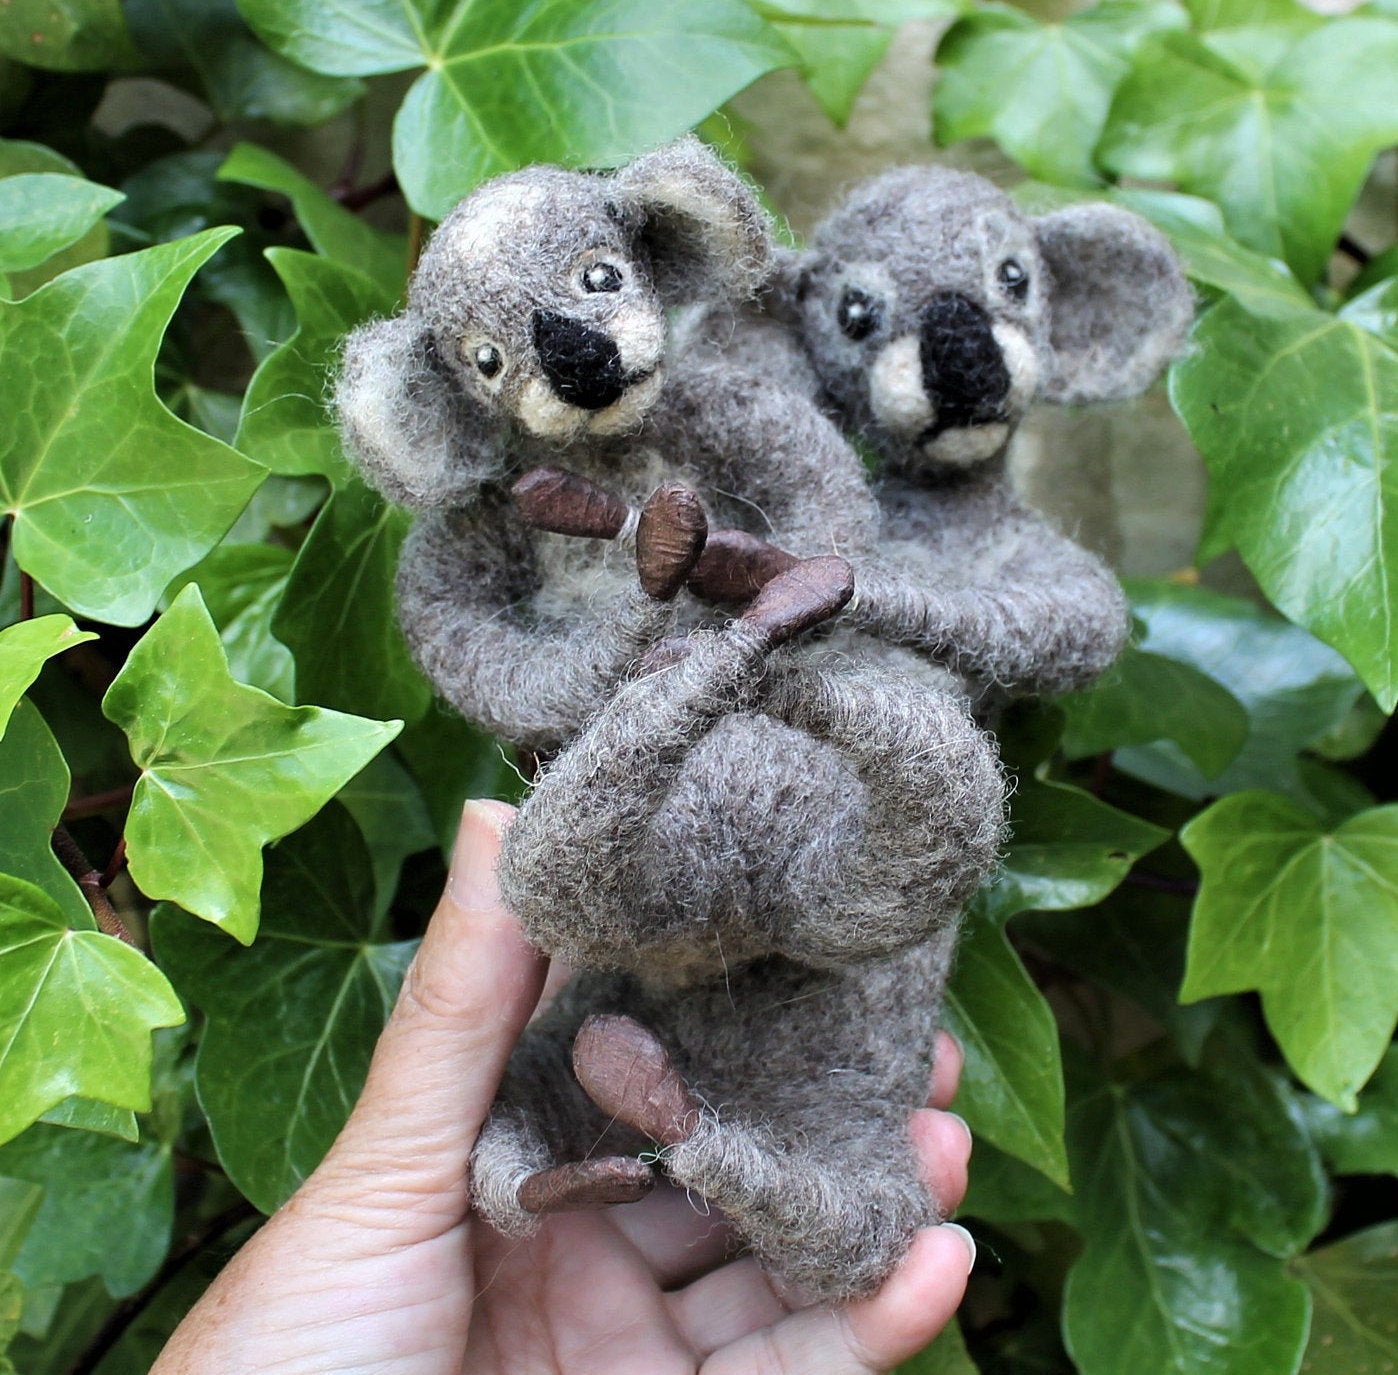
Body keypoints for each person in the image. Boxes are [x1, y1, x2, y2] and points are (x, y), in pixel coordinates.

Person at [152, 801, 977, 1375]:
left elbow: (866, 1228)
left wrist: (707, 1148)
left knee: (869, 1222)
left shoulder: (863, 966)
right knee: (526, 1092)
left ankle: (698, 1142)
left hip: (815, 1073)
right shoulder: (627, 957)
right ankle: (536, 1179)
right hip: (629, 1041)